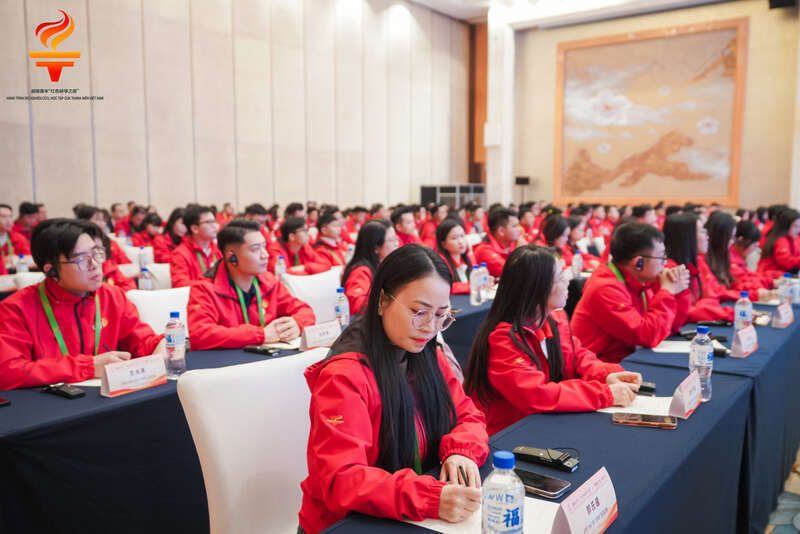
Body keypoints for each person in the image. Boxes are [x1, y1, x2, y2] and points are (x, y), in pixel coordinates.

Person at [299, 244, 489, 533]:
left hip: (407, 512)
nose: (430, 327)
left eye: (441, 315)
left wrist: (460, 450)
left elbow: (468, 415)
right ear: (382, 301)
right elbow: (341, 478)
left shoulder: (427, 355)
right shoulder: (344, 375)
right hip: (350, 523)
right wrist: (428, 498)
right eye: (418, 311)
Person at [464, 245, 639, 435]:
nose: (567, 281)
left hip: (543, 422)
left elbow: (575, 356)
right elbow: (537, 395)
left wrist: (605, 375)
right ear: (537, 288)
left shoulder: (554, 317)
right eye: (560, 277)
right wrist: (604, 394)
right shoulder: (503, 340)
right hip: (510, 434)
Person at [0, 219, 165, 390]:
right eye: (80, 259)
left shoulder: (112, 296)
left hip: (107, 397)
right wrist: (88, 366)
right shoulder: (16, 309)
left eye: (96, 253)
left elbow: (141, 341)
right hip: (49, 402)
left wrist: (160, 346)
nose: (95, 265)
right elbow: (7, 371)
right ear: (52, 270)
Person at [571, 222, 691, 363]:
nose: (665, 263)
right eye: (661, 257)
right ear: (638, 263)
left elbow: (669, 327)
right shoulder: (605, 288)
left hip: (628, 359)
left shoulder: (640, 281)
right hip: (601, 366)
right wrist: (667, 292)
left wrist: (678, 292)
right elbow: (647, 336)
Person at [187, 220, 315, 350]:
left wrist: (297, 324)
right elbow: (200, 334)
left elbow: (305, 311)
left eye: (264, 247)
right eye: (255, 249)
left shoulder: (269, 282)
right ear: (232, 257)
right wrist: (261, 335)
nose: (265, 255)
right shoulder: (204, 289)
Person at [663, 213, 733, 323]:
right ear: (686, 237)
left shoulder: (696, 261)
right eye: (702, 231)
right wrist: (729, 313)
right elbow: (683, 312)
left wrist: (701, 306)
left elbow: (711, 296)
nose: (707, 236)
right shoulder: (670, 270)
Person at [341, 220, 398, 315]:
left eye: (396, 239)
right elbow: (358, 306)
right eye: (391, 240)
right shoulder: (360, 271)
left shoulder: (382, 265)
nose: (396, 244)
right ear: (376, 248)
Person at [170, 205, 222, 287]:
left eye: (215, 221)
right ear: (195, 229)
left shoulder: (219, 249)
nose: (215, 226)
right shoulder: (180, 254)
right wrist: (209, 283)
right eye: (209, 222)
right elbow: (180, 284)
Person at [730, 220, 780, 296]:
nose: (754, 249)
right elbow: (741, 281)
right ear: (741, 240)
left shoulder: (737, 256)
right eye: (754, 245)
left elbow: (749, 275)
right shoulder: (730, 258)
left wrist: (770, 282)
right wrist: (758, 292)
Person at [267, 217, 332, 275]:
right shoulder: (275, 250)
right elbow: (282, 274)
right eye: (304, 231)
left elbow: (326, 265)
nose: (308, 234)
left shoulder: (304, 246)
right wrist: (312, 272)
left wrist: (305, 267)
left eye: (307, 230)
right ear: (292, 236)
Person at [473, 208, 520, 278]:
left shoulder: (512, 243)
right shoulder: (484, 251)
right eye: (515, 226)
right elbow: (513, 273)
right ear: (501, 231)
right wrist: (520, 252)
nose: (519, 230)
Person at [435, 218, 475, 295]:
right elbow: (444, 287)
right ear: (443, 244)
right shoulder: (440, 262)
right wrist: (471, 286)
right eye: (454, 238)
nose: (461, 241)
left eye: (462, 236)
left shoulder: (467, 258)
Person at [758, 208, 800, 275]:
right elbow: (786, 262)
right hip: (770, 276)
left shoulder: (792, 238)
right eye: (795, 226)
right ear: (785, 226)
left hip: (780, 275)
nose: (798, 230)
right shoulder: (781, 240)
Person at [0, 204, 31, 269]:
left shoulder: (18, 238)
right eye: (3, 217)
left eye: (10, 216)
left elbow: (29, 258)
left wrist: (18, 258)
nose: (8, 220)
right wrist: (3, 260)